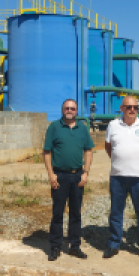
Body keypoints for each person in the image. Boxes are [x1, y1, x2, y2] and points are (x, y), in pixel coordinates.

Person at [103, 96, 139, 261]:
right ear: (122, 108)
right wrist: (120, 161)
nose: (132, 110)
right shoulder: (113, 125)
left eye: (135, 107)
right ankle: (114, 243)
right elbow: (108, 147)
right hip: (117, 177)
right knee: (116, 212)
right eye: (129, 107)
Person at [42, 99, 94, 261]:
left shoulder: (82, 128)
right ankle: (56, 247)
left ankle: (74, 246)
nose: (70, 110)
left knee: (75, 213)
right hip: (59, 176)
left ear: (76, 111)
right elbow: (46, 152)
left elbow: (88, 151)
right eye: (67, 108)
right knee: (57, 212)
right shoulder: (54, 127)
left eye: (72, 108)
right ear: (62, 109)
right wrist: (51, 174)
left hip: (77, 175)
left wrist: (85, 173)